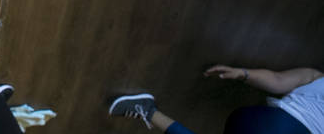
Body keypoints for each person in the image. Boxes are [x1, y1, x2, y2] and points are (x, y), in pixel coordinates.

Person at [109, 64, 324, 133]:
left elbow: (277, 80)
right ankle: (146, 109)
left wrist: (243, 74)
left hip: (252, 119)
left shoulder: (316, 76)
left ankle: (145, 109)